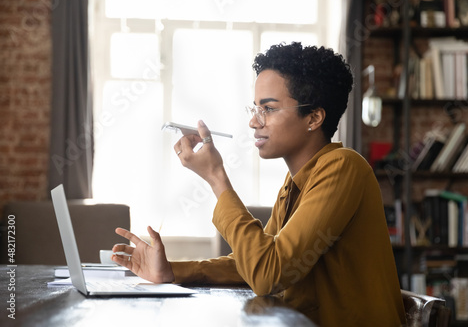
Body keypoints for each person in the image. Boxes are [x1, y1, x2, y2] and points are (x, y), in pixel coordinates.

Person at [112, 42, 406, 327]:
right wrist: (171, 270)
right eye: (254, 108)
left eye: (268, 109)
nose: (254, 122)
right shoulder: (295, 182)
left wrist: (217, 178)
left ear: (314, 117)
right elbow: (252, 262)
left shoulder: (344, 167)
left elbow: (268, 274)